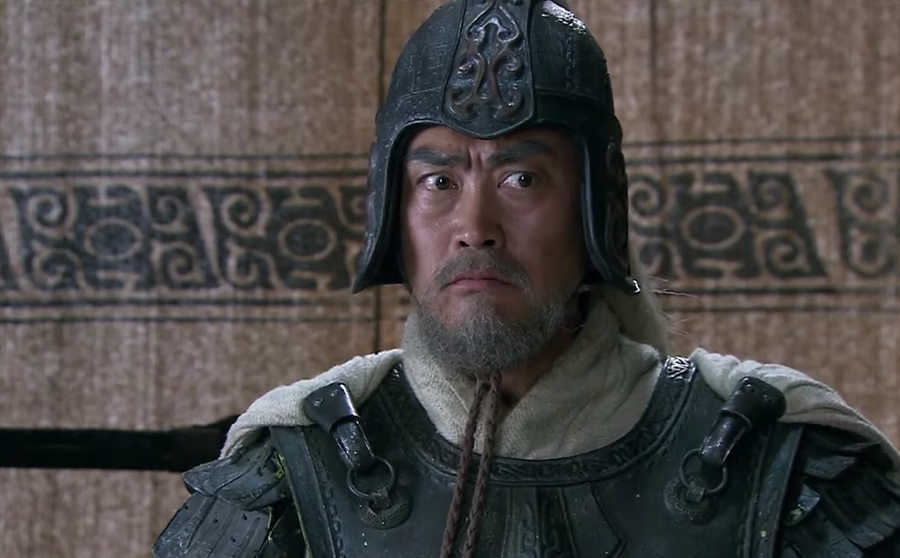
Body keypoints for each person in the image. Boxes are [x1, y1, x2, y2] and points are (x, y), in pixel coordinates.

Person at [152, 1, 900, 557]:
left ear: (595, 210)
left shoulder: (778, 459)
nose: (474, 225)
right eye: (439, 181)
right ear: (392, 215)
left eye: (521, 178)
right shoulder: (296, 472)